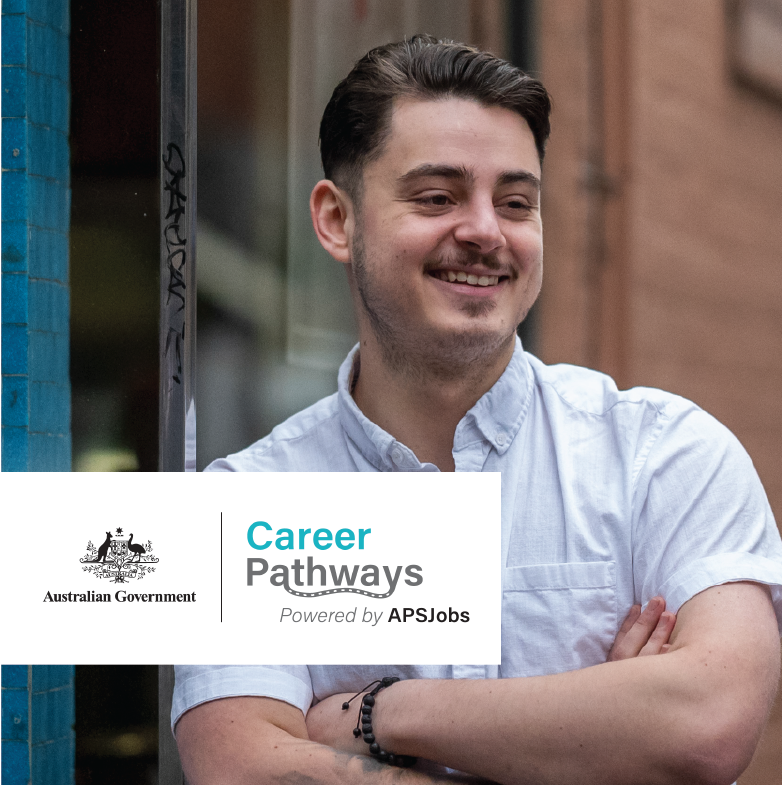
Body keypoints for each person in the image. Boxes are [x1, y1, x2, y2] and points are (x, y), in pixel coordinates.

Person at [174, 36, 782, 783]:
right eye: (437, 197)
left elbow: (709, 723)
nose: (486, 231)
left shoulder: (665, 458)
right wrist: (596, 738)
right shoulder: (244, 504)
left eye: (517, 202)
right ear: (338, 220)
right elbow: (244, 769)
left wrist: (376, 714)